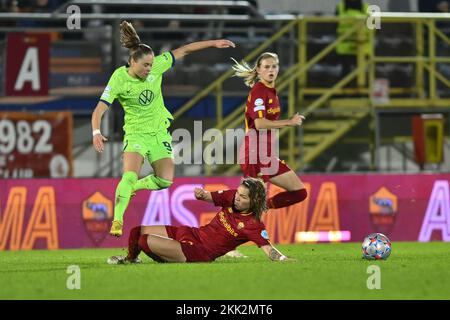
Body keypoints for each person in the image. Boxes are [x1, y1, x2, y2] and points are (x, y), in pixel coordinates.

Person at [91, 21, 235, 237]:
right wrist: (96, 132)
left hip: (159, 133)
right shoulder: (118, 79)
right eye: (145, 65)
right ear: (132, 62)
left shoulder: (157, 66)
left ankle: (133, 188)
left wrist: (214, 42)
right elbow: (99, 110)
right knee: (129, 175)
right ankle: (118, 220)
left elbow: (184, 49)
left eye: (151, 65)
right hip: (136, 134)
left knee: (165, 180)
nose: (149, 69)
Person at [107, 178, 295, 263]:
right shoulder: (231, 197)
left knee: (143, 241)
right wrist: (201, 194)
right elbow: (207, 197)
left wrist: (283, 259)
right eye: (238, 193)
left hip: (200, 251)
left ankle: (168, 256)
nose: (238, 198)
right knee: (137, 231)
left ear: (254, 201)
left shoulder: (253, 225)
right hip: (193, 233)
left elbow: (268, 249)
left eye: (244, 197)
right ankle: (130, 259)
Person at [231, 52, 308, 210]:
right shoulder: (259, 92)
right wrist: (289, 122)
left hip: (266, 154)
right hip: (254, 154)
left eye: (274, 66)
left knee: (299, 192)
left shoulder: (271, 91)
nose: (271, 70)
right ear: (258, 70)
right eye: (266, 67)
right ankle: (227, 228)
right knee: (245, 204)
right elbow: (259, 124)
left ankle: (261, 207)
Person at [335, 0, 370, 86]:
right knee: (346, 73)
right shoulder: (340, 7)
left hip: (362, 48)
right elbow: (335, 26)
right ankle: (346, 93)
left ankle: (360, 93)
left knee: (363, 74)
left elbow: (375, 28)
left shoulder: (368, 8)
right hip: (346, 49)